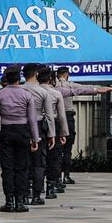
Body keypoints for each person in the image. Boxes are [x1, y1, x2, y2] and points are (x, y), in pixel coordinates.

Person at [56, 66, 112, 185]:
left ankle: (56, 177)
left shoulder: (53, 87)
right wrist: (103, 89)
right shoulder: (70, 85)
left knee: (56, 149)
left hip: (56, 119)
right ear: (67, 75)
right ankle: (66, 175)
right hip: (68, 117)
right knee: (67, 149)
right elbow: (85, 88)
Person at [0, 65, 40, 212]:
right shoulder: (26, 95)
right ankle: (20, 201)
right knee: (22, 168)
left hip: (5, 132)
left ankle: (9, 201)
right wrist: (35, 139)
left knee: (7, 169)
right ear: (19, 79)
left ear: (7, 79)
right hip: (22, 132)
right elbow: (32, 119)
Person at [21, 63, 56, 202]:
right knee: (38, 163)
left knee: (23, 162)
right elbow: (49, 115)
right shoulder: (43, 92)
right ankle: (36, 195)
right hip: (39, 128)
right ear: (36, 74)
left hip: (22, 127)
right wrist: (51, 135)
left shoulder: (20, 90)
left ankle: (24, 194)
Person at [38, 67, 69, 202]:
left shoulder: (30, 91)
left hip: (36, 125)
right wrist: (64, 133)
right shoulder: (56, 93)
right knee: (54, 157)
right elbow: (62, 116)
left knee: (38, 157)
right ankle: (51, 187)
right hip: (54, 125)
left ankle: (37, 186)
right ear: (51, 79)